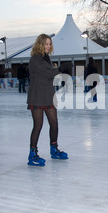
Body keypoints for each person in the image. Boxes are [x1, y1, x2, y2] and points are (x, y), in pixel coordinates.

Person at [27, 34, 69, 166]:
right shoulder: (34, 60)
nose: (48, 46)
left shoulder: (47, 58)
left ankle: (54, 149)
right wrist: (60, 69)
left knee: (54, 123)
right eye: (46, 43)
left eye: (49, 44)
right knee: (38, 125)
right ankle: (32, 154)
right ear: (39, 44)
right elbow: (46, 73)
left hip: (48, 95)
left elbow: (50, 76)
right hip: (37, 96)